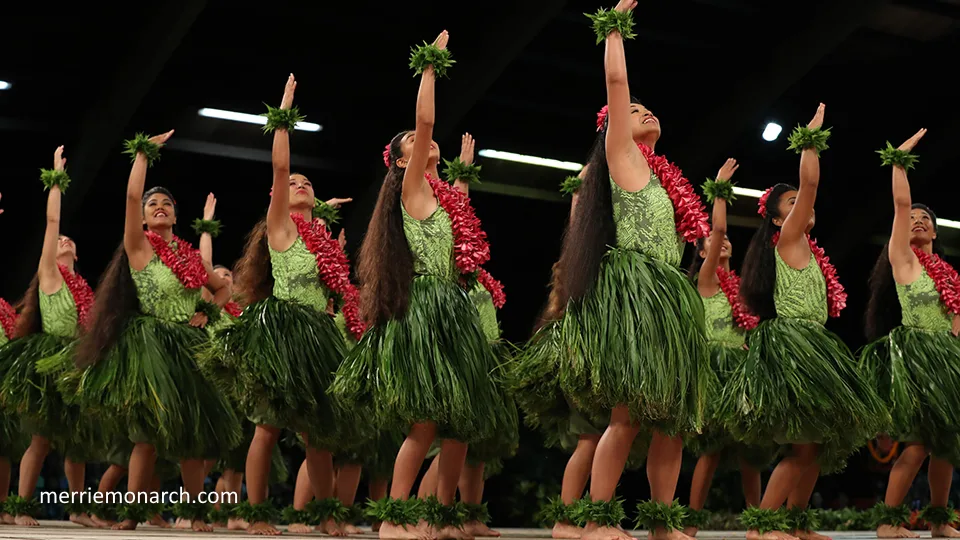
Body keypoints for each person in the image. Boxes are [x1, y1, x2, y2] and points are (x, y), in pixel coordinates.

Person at [331, 30, 512, 540]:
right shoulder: (411, 187)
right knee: (426, 424)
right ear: (399, 162)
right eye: (411, 142)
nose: (423, 142)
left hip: (456, 310)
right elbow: (427, 120)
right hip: (426, 308)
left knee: (461, 426)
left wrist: (464, 177)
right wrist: (431, 68)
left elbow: (463, 237)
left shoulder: (444, 196)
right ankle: (394, 517)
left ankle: (440, 517)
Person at [556, 3, 712, 540]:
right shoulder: (622, 156)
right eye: (633, 110)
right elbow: (616, 79)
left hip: (673, 296)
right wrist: (615, 30)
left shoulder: (668, 179)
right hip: (639, 291)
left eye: (648, 110)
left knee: (673, 422)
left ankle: (662, 524)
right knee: (626, 414)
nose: (644, 113)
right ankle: (598, 521)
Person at [199, 74, 364, 536]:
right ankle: (253, 514)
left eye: (306, 181)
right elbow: (278, 170)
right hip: (286, 331)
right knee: (268, 428)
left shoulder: (323, 240)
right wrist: (284, 118)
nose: (300, 182)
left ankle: (326, 513)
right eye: (294, 182)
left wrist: (324, 212)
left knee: (319, 430)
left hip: (322, 334)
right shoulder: (281, 227)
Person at [717, 104, 887, 540]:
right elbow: (810, 181)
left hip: (813, 343)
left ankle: (795, 523)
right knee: (801, 443)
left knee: (814, 445)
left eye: (800, 204)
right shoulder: (789, 238)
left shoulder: (809, 248)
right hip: (794, 346)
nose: (802, 206)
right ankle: (763, 526)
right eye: (791, 205)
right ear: (777, 219)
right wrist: (810, 140)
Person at [72, 130, 241, 531]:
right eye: (153, 204)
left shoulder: (189, 255)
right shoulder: (139, 246)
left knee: (192, 433)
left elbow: (224, 288)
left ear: (176, 216)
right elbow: (130, 197)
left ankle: (194, 513)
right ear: (145, 216)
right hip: (150, 345)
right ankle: (131, 513)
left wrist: (205, 311)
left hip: (188, 344)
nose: (159, 207)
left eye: (166, 203)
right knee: (146, 435)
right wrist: (144, 154)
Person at [861, 129, 960, 539]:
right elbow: (902, 203)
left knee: (948, 446)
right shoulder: (904, 261)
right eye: (913, 220)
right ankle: (887, 521)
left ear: (936, 233)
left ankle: (939, 521)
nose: (918, 221)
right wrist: (899, 162)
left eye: (926, 220)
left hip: (949, 359)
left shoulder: (952, 276)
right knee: (918, 443)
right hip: (919, 356)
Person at [0, 146, 97, 527]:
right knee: (41, 439)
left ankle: (78, 508)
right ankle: (21, 506)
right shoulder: (50, 275)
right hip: (50, 359)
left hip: (76, 361)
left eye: (70, 240)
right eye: (59, 241)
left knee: (78, 439)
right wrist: (56, 179)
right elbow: (52, 220)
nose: (64, 241)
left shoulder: (83, 287)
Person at [682, 160, 771, 536]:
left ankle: (758, 522)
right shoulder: (707, 281)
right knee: (711, 450)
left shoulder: (740, 289)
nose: (724, 243)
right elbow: (717, 230)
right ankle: (690, 523)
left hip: (742, 369)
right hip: (714, 369)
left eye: (728, 243)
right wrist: (719, 192)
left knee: (751, 450)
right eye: (715, 244)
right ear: (702, 253)